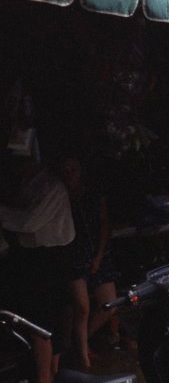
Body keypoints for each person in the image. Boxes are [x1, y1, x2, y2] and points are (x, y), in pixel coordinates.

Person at [0, 152, 75, 383]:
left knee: (43, 319)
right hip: (31, 256)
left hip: (52, 256)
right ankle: (47, 377)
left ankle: (47, 379)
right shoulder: (25, 186)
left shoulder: (51, 186)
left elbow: (28, 223)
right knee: (36, 316)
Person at [61, 157, 118, 369]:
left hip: (96, 250)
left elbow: (104, 223)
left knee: (109, 304)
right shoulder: (59, 196)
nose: (69, 173)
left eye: (73, 169)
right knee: (81, 307)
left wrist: (99, 255)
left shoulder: (92, 194)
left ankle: (79, 344)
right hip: (73, 255)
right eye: (65, 170)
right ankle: (82, 353)